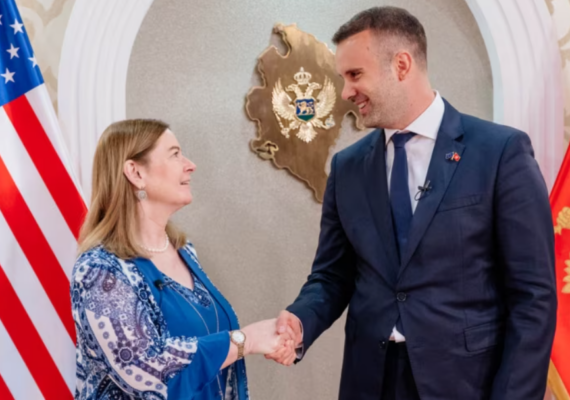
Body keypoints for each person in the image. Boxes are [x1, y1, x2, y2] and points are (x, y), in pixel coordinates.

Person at [266, 6, 557, 400]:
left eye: (355, 75)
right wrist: (301, 320)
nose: (346, 92)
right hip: (370, 382)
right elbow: (332, 276)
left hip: (466, 384)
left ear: (401, 65)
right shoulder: (347, 167)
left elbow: (533, 297)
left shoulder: (500, 152)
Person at [72, 119, 293, 400]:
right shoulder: (99, 270)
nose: (190, 165)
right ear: (136, 173)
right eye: (174, 154)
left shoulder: (185, 252)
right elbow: (144, 369)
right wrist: (245, 340)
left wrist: (273, 336)